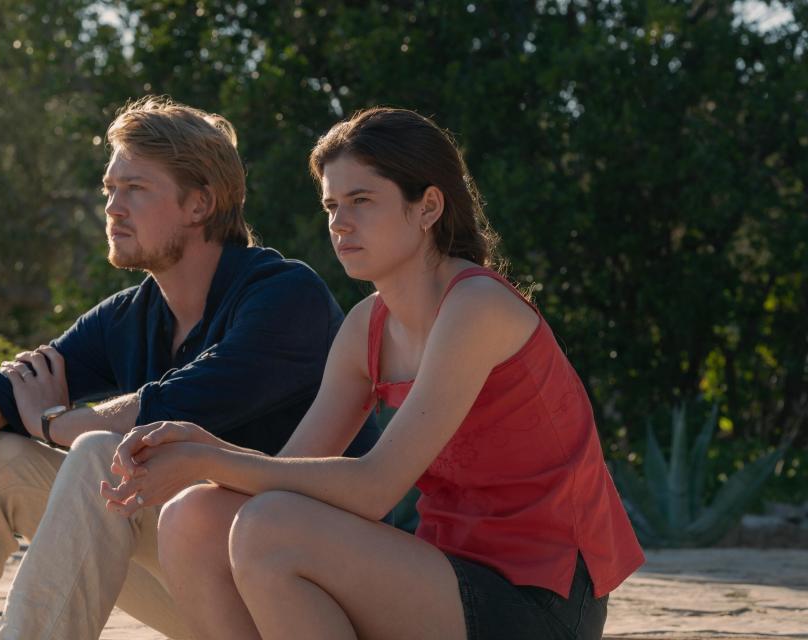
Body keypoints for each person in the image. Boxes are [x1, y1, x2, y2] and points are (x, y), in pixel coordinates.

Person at [102, 107, 646, 640]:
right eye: (331, 205)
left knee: (269, 530)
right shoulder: (366, 327)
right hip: (439, 574)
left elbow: (373, 488)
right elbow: (288, 473)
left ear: (428, 206)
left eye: (362, 201)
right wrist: (204, 447)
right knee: (193, 519)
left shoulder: (475, 305)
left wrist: (208, 457)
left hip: (538, 600)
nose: (340, 223)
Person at [0, 96, 379, 639]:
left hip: (299, 597)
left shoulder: (283, 296)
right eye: (110, 189)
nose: (113, 207)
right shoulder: (132, 314)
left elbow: (167, 409)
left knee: (99, 454)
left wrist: (51, 421)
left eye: (136, 189)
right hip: (199, 579)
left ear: (199, 204)